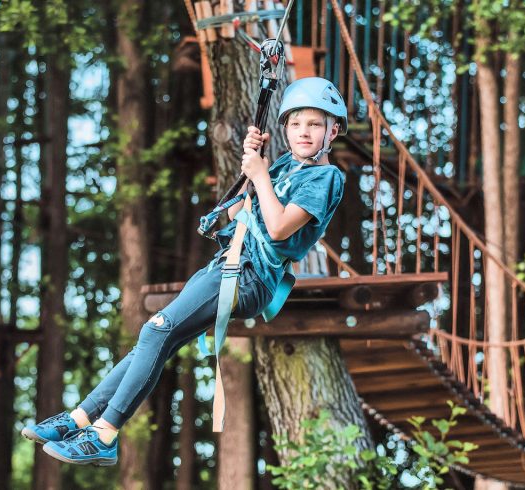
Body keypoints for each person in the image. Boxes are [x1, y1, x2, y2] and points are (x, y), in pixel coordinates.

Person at [22, 77, 349, 466]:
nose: (303, 132)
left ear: (333, 131)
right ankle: (78, 419)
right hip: (230, 264)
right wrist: (241, 184)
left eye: (315, 124)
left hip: (249, 276)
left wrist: (260, 175)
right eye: (295, 124)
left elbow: (278, 228)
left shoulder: (325, 178)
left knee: (155, 330)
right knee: (154, 340)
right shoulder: (284, 165)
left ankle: (104, 434)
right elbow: (243, 207)